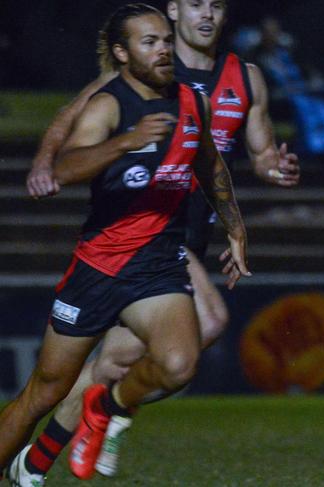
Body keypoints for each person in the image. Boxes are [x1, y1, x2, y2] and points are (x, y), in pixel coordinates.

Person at [23, 0, 299, 482]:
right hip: (150, 229)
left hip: (191, 232)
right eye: (195, 5)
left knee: (108, 362)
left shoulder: (245, 77)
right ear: (173, 11)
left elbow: (258, 152)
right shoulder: (145, 75)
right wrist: (45, 163)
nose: (206, 14)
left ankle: (39, 459)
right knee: (209, 320)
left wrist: (274, 166)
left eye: (216, 5)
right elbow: (72, 116)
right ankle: (110, 413)